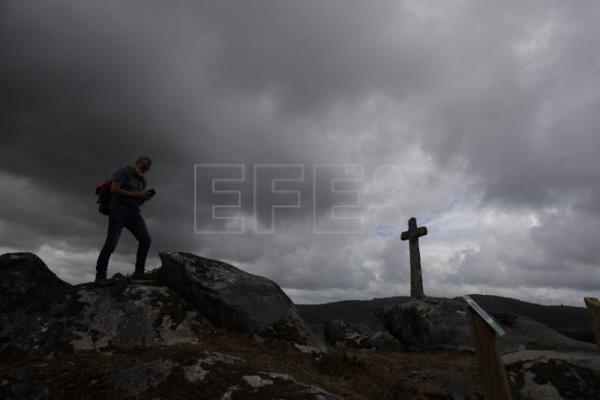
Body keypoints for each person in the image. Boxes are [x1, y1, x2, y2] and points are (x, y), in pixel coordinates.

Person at [95, 156, 155, 286]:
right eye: (143, 166)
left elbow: (138, 202)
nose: (144, 170)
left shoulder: (143, 181)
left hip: (134, 213)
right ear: (137, 163)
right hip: (118, 210)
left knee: (146, 240)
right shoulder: (124, 172)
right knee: (111, 242)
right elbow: (114, 189)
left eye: (146, 168)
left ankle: (139, 272)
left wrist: (143, 198)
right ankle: (100, 276)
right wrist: (137, 195)